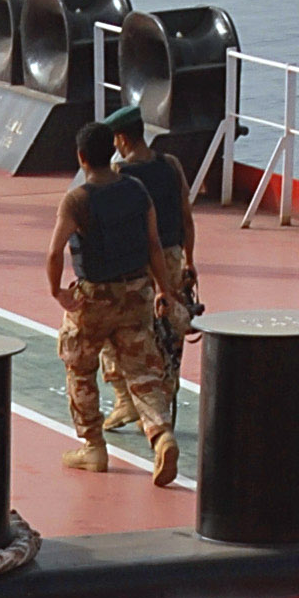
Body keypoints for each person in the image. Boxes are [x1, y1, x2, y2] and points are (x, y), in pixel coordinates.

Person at [45, 118, 181, 485]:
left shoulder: (77, 200)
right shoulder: (137, 190)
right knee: (144, 370)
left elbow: (55, 251)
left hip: (94, 298)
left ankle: (93, 447)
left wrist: (57, 291)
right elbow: (154, 244)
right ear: (111, 151)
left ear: (81, 157)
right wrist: (164, 290)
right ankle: (161, 435)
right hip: (136, 292)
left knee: (80, 368)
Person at [102, 103, 197, 434]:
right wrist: (189, 261)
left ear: (123, 138)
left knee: (119, 328)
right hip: (172, 257)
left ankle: (125, 400)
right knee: (169, 333)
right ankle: (162, 408)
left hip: (137, 263)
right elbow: (186, 217)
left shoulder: (118, 174)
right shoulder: (171, 165)